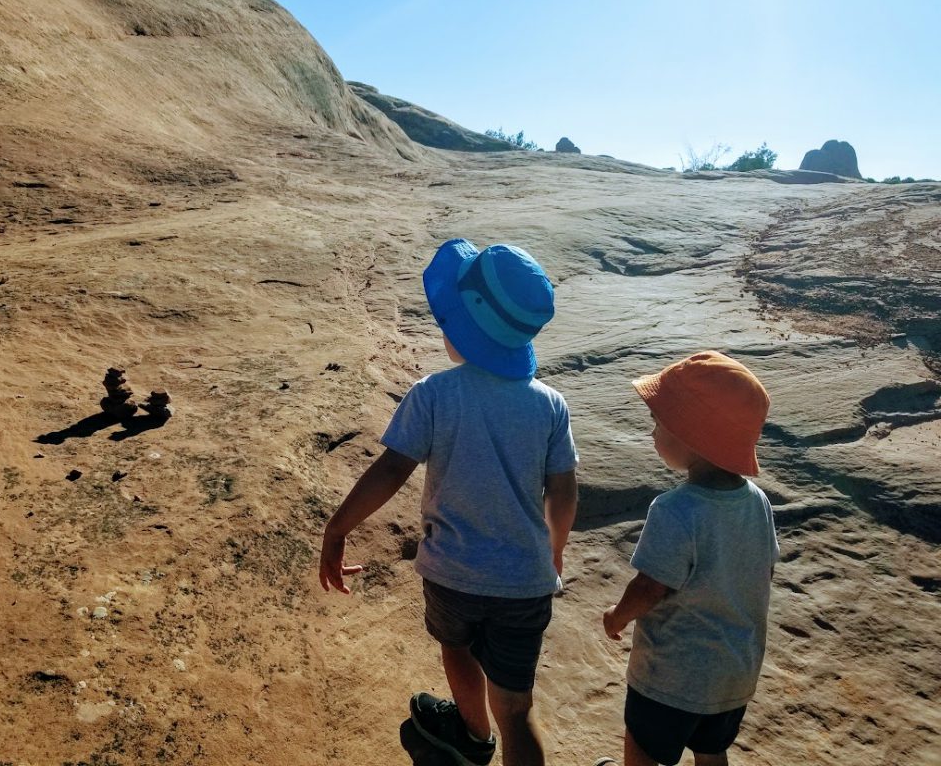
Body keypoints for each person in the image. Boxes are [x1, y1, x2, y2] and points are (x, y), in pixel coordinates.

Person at [319, 238, 578, 766]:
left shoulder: (434, 393)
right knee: (519, 709)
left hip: (453, 573)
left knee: (456, 647)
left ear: (465, 329)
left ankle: (473, 735)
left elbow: (392, 468)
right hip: (525, 583)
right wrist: (554, 549)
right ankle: (498, 727)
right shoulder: (550, 404)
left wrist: (337, 528)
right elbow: (564, 489)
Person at [600, 351, 778, 766]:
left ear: (690, 435)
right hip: (735, 673)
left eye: (658, 423)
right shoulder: (758, 503)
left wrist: (617, 616)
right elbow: (762, 571)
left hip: (672, 677)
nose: (653, 432)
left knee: (643, 749)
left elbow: (650, 587)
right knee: (711, 750)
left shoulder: (675, 509)